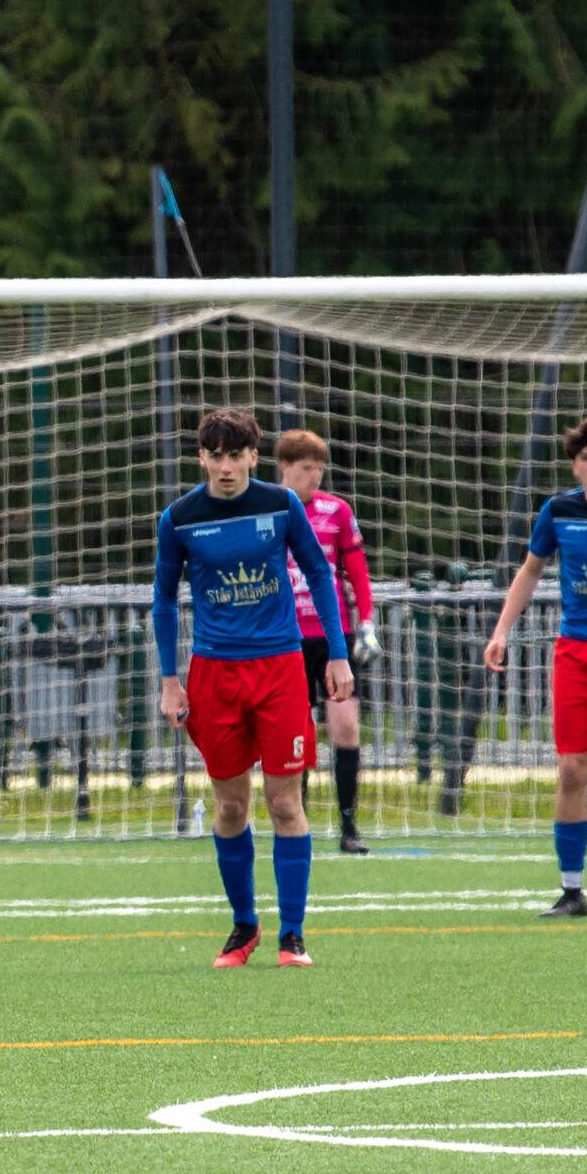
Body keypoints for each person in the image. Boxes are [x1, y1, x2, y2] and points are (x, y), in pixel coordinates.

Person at [153, 408, 352, 968]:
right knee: (230, 806)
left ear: (253, 457)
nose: (225, 467)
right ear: (201, 458)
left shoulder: (281, 504)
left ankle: (293, 934)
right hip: (214, 675)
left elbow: (319, 573)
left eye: (235, 456)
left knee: (285, 802)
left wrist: (337, 653)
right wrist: (169, 681)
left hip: (280, 670)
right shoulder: (180, 518)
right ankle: (244, 926)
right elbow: (163, 599)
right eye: (215, 456)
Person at [482, 414, 587, 918]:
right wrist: (500, 631)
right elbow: (530, 571)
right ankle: (572, 889)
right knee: (571, 769)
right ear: (575, 466)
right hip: (576, 654)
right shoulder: (559, 510)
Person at [273, 430, 382, 854]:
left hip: (333, 638)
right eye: (306, 468)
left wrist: (366, 623)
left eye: (318, 468)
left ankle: (349, 824)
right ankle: (296, 821)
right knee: (295, 735)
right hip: (286, 640)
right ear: (284, 468)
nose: (314, 476)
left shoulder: (336, 512)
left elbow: (357, 571)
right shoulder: (270, 510)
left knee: (346, 726)